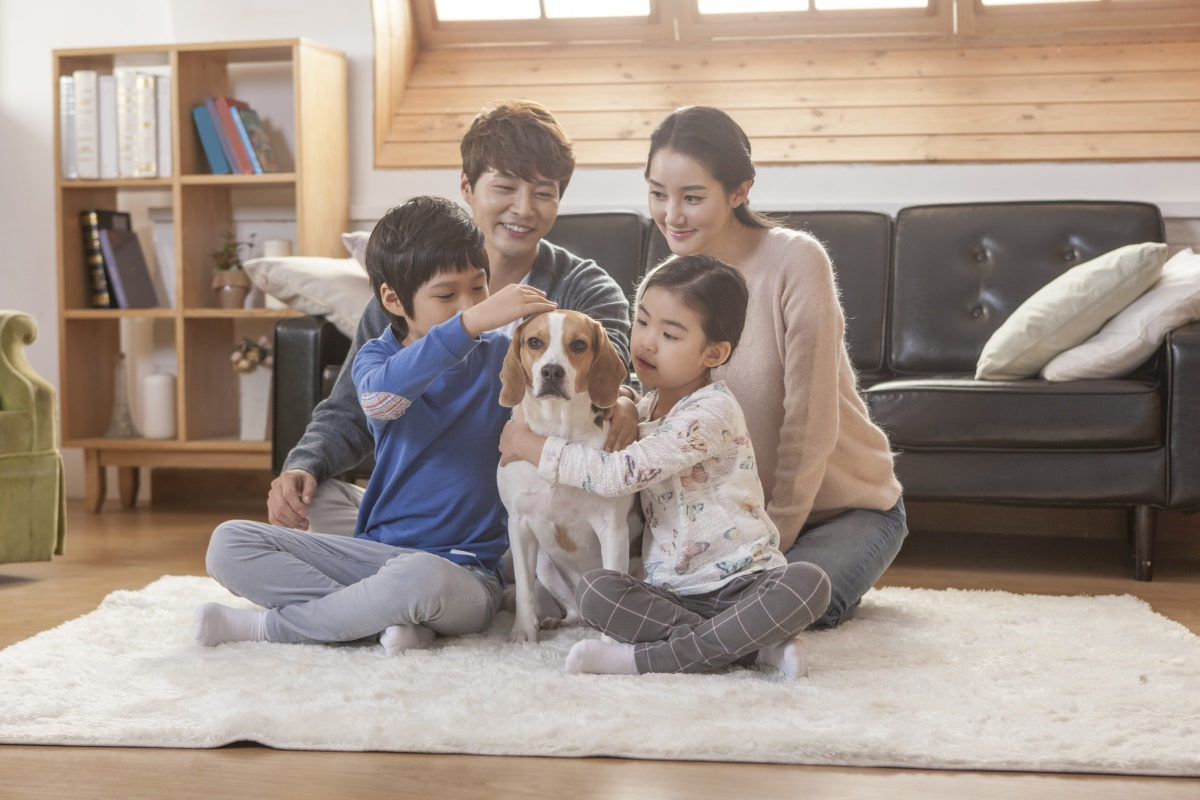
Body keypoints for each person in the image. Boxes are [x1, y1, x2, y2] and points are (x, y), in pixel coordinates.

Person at [195, 197, 557, 653]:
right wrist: (469, 323)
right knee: (228, 543)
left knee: (419, 577)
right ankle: (391, 617)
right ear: (392, 299)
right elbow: (381, 402)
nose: (469, 306)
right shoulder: (378, 358)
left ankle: (270, 627)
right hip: (374, 556)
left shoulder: (503, 359)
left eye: (479, 289)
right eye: (447, 296)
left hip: (462, 574)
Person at [269, 100, 636, 535]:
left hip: (533, 510)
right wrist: (303, 467)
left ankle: (401, 573)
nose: (523, 208)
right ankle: (392, 565)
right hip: (421, 506)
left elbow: (615, 380)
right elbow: (352, 409)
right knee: (307, 505)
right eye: (505, 187)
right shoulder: (408, 292)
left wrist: (626, 399)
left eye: (543, 192)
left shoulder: (584, 289)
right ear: (468, 186)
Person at [499, 255, 831, 679]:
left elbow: (617, 475)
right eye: (641, 322)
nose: (647, 343)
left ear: (714, 352)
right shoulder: (645, 407)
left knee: (809, 582)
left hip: (742, 581)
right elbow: (617, 409)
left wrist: (530, 445)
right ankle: (751, 650)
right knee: (597, 592)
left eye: (670, 334)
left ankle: (642, 659)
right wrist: (623, 402)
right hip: (668, 590)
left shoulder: (709, 413)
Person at [642, 106, 907, 629]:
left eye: (692, 197)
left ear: (739, 191)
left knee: (783, 601)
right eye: (657, 193)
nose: (671, 214)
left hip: (842, 511)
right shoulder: (671, 279)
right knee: (677, 594)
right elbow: (660, 402)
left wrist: (769, 546)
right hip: (726, 524)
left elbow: (810, 418)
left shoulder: (795, 261)